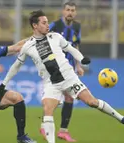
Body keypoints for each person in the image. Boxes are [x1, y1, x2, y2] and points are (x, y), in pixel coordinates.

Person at [2, 10, 124, 143]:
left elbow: (70, 49)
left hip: (69, 78)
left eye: (47, 22)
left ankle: (122, 118)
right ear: (35, 26)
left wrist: (82, 59)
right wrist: (4, 83)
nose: (47, 25)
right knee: (47, 109)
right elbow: (16, 66)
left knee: (92, 102)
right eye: (44, 23)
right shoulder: (28, 46)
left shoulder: (55, 37)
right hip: (51, 83)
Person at [39, 2, 83, 142]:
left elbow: (76, 46)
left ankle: (62, 131)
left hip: (69, 68)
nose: (70, 12)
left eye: (73, 10)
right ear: (63, 11)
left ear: (75, 13)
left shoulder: (77, 27)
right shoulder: (54, 25)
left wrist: (79, 65)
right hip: (54, 68)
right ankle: (46, 126)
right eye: (68, 10)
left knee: (69, 98)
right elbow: (41, 38)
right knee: (56, 99)